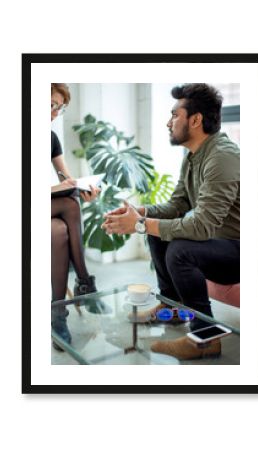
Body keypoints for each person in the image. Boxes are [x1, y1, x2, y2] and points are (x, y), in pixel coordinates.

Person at [102, 83, 240, 360]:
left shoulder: (222, 156)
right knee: (157, 229)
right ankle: (175, 308)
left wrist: (139, 225)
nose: (168, 122)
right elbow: (178, 205)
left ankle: (205, 337)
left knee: (179, 249)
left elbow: (201, 226)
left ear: (196, 119)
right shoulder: (193, 156)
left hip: (243, 249)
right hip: (221, 243)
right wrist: (140, 214)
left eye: (175, 115)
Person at [51, 83, 99, 349]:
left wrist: (83, 189)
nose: (56, 112)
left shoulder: (50, 138)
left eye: (60, 107)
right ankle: (84, 279)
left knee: (58, 230)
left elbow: (68, 179)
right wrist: (62, 188)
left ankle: (58, 315)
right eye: (51, 105)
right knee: (69, 205)